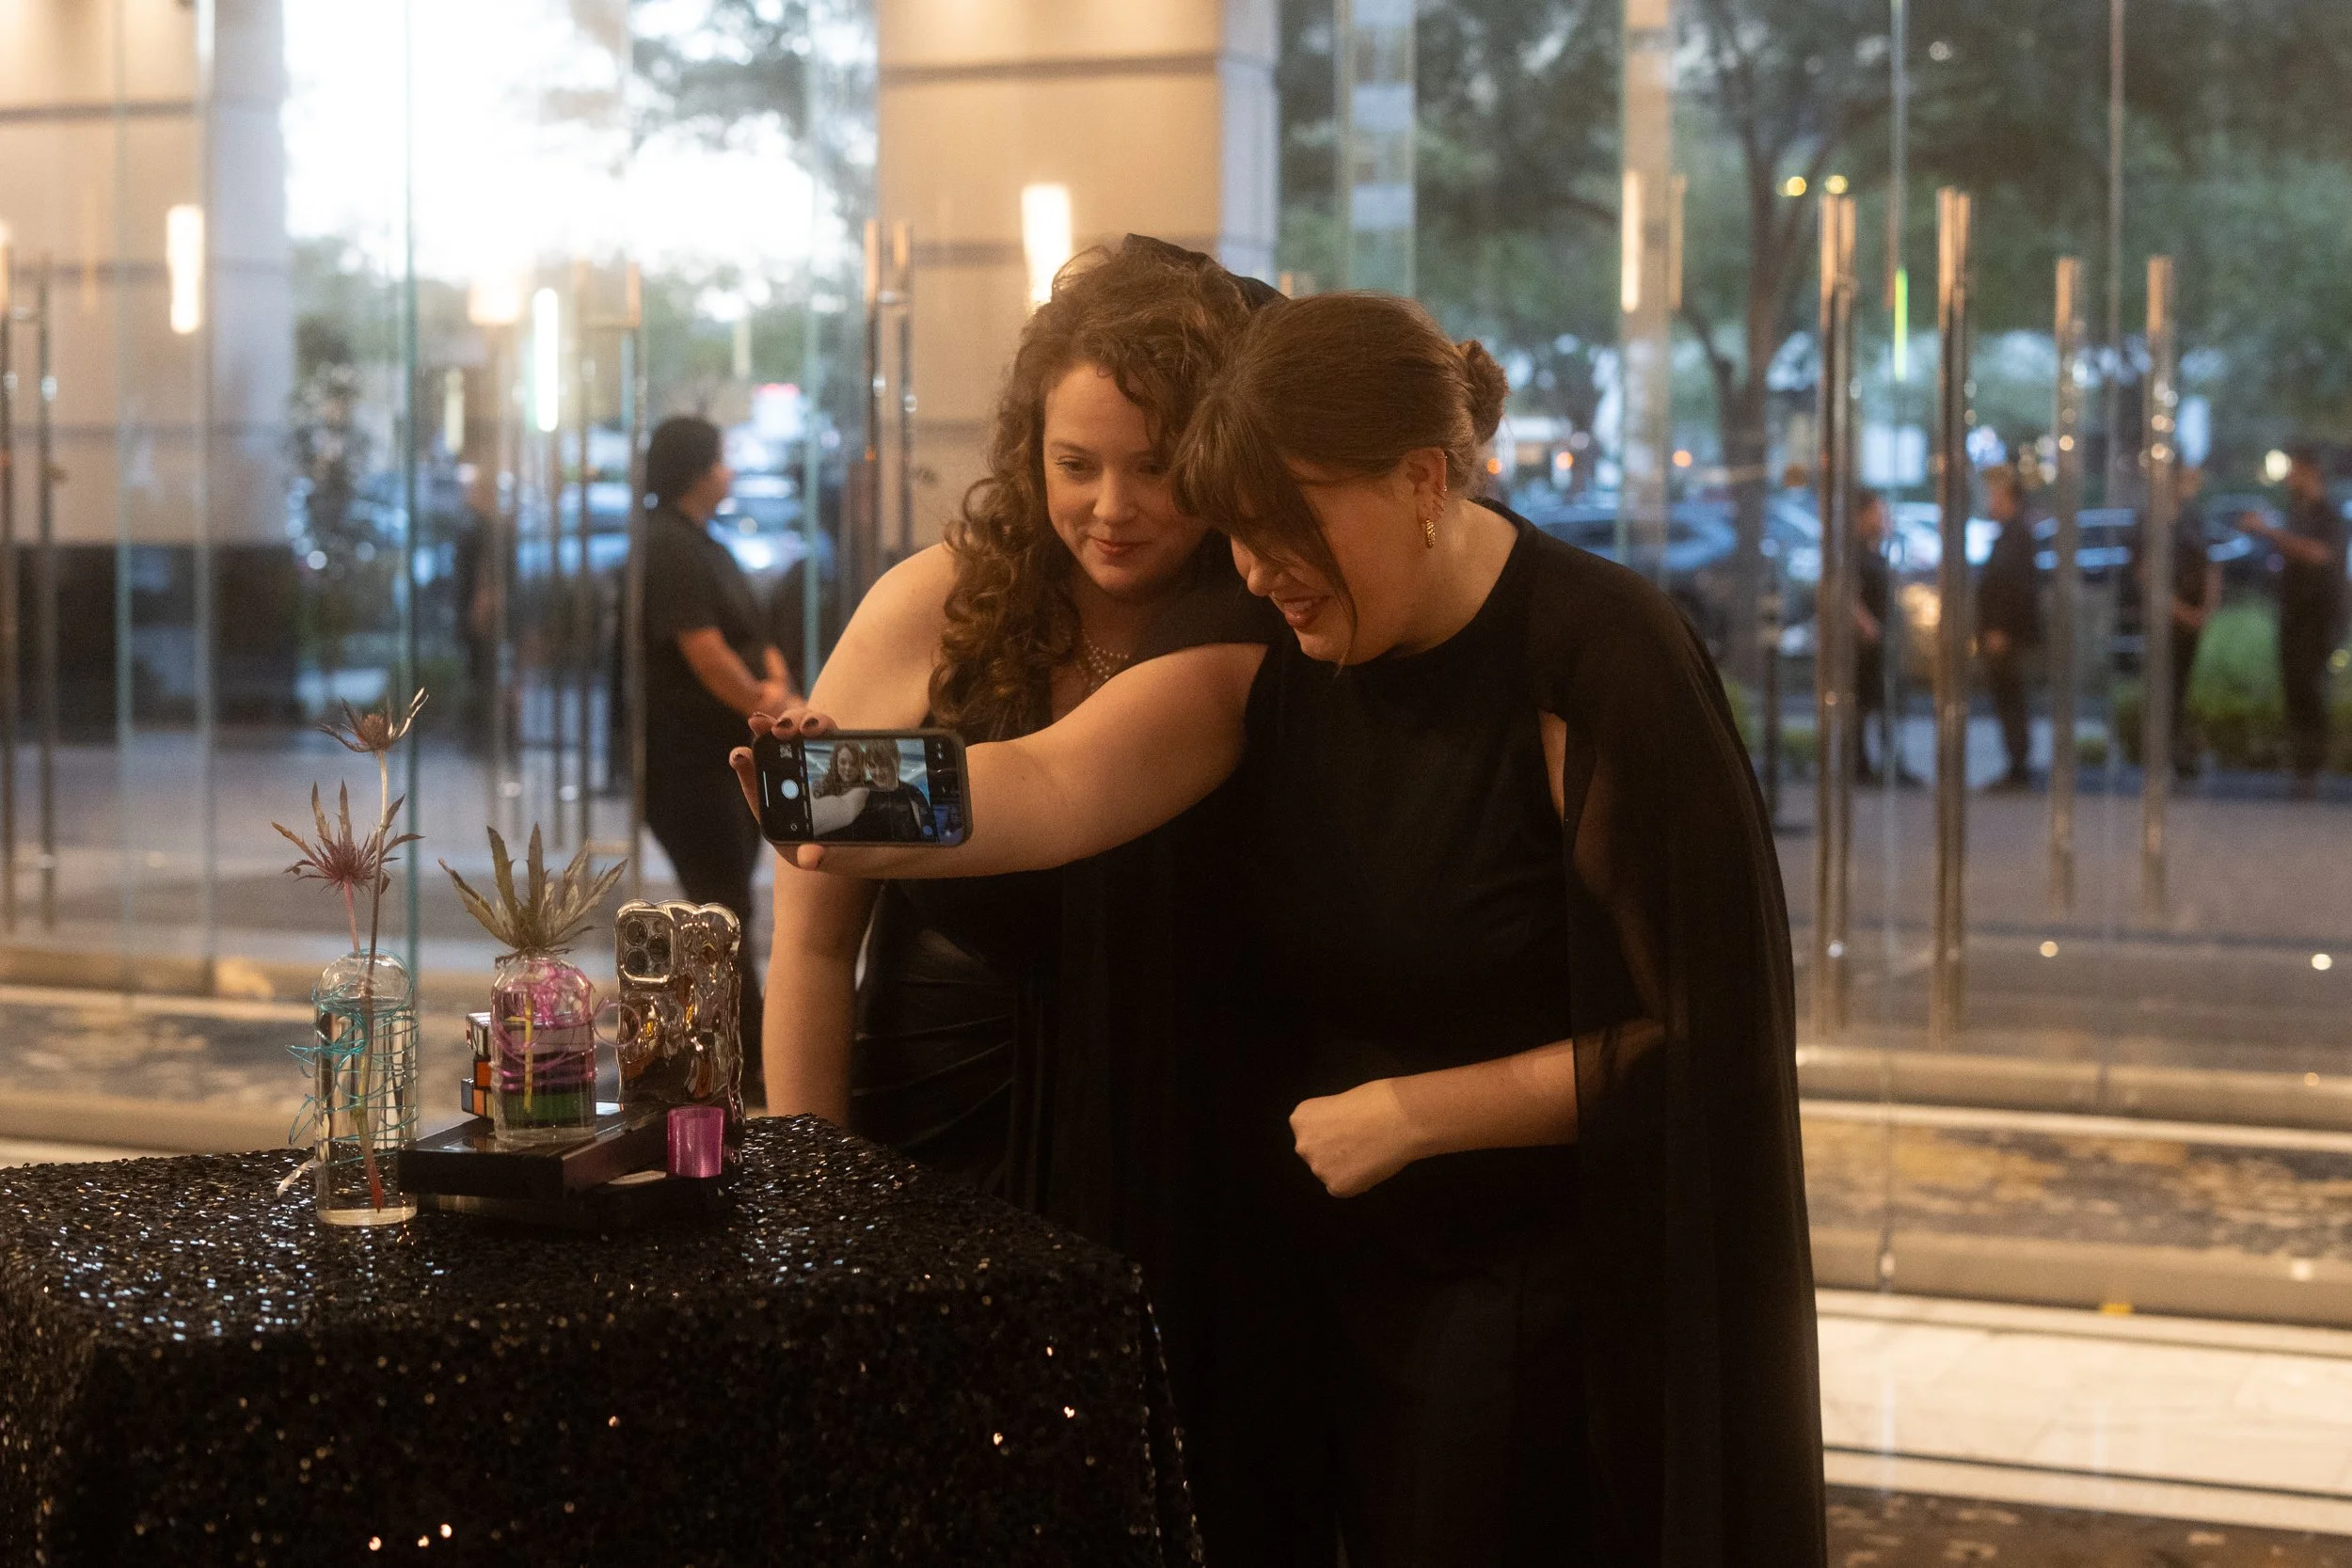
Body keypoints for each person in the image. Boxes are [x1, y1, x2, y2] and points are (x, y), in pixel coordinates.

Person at [741, 293, 1822, 1565]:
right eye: (1241, 538)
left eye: (1284, 528)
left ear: (1422, 480)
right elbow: (1052, 779)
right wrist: (828, 801)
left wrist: (1419, 1112)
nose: (1255, 573)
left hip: (1536, 1268)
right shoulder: (1290, 638)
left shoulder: (1600, 653)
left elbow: (1709, 1036)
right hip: (1337, 1258)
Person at [756, 236, 1275, 1496]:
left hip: (1192, 1133)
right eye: (1075, 464)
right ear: (1026, 448)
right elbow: (813, 941)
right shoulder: (930, 602)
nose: (1112, 507)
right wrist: (817, 1187)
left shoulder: (1264, 611)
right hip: (937, 1106)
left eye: (1155, 467)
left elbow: (1047, 787)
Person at [640, 415, 791, 1093]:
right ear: (698, 470)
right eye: (722, 459)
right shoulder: (668, 545)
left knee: (729, 911)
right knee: (721, 913)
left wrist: (774, 690)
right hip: (690, 765)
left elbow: (753, 635)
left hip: (722, 756)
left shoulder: (701, 542)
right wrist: (763, 700)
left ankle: (739, 1056)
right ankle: (738, 1062)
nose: (729, 472)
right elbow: (705, 651)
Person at [2240, 446, 2345, 797]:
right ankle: (2303, 766)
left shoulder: (2328, 515)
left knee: (2310, 688)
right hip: (2294, 614)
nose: (2288, 479)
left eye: (2294, 471)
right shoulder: (2297, 514)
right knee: (2296, 689)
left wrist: (2269, 532)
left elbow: (2319, 554)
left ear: (2311, 472)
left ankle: (2310, 768)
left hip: (2319, 617)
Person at [2138, 465, 2220, 778]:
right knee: (2162, 688)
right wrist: (2181, 611)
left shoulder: (2192, 519)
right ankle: (2161, 754)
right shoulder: (2150, 522)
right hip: (2166, 621)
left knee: (2180, 687)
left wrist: (2205, 610)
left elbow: (2210, 565)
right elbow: (2147, 576)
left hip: (2190, 621)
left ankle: (2177, 752)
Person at [1977, 463, 2041, 790]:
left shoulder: (2017, 536)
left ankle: (2019, 766)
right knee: (2008, 698)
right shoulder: (2009, 535)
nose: (1990, 503)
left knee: (2011, 698)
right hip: (2002, 633)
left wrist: (2001, 629)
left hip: (2006, 635)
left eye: (1995, 497)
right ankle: (2016, 764)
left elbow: (2013, 587)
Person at [1851, 487, 1902, 784]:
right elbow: (1847, 593)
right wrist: (1866, 624)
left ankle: (1889, 764)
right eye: (1877, 513)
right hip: (1865, 643)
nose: (1883, 519)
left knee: (1881, 702)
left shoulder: (1874, 551)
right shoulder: (1854, 552)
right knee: (1864, 703)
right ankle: (1861, 764)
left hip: (1880, 641)